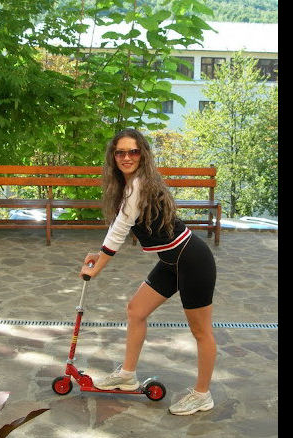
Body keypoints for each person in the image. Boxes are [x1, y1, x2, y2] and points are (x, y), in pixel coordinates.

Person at [79, 128, 217, 416]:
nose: (126, 157)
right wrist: (99, 253)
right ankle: (127, 376)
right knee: (136, 310)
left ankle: (202, 395)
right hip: (171, 261)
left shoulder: (139, 184)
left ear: (142, 154)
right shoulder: (129, 186)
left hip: (192, 260)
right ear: (113, 157)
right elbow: (118, 224)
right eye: (120, 152)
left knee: (200, 331)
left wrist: (97, 268)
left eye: (133, 151)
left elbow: (119, 231)